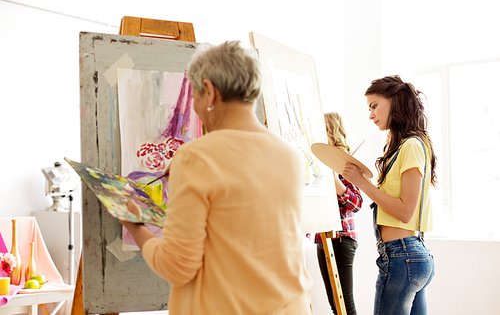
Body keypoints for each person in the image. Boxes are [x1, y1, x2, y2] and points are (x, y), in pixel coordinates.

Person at [120, 41, 313, 315]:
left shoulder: (196, 157)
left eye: (196, 95)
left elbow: (176, 266)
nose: (195, 107)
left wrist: (135, 226)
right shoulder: (290, 156)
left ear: (210, 92)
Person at [342, 75, 437, 315]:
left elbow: (405, 212)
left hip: (401, 254)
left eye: (374, 106)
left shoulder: (412, 146)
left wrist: (360, 182)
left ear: (394, 102)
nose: (371, 115)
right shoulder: (405, 146)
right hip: (409, 255)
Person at [314, 112, 362, 315]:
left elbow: (357, 203)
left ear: (332, 132)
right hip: (321, 236)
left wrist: (337, 184)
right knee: (335, 304)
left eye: (322, 129)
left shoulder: (346, 162)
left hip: (342, 239)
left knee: (345, 304)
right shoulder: (317, 161)